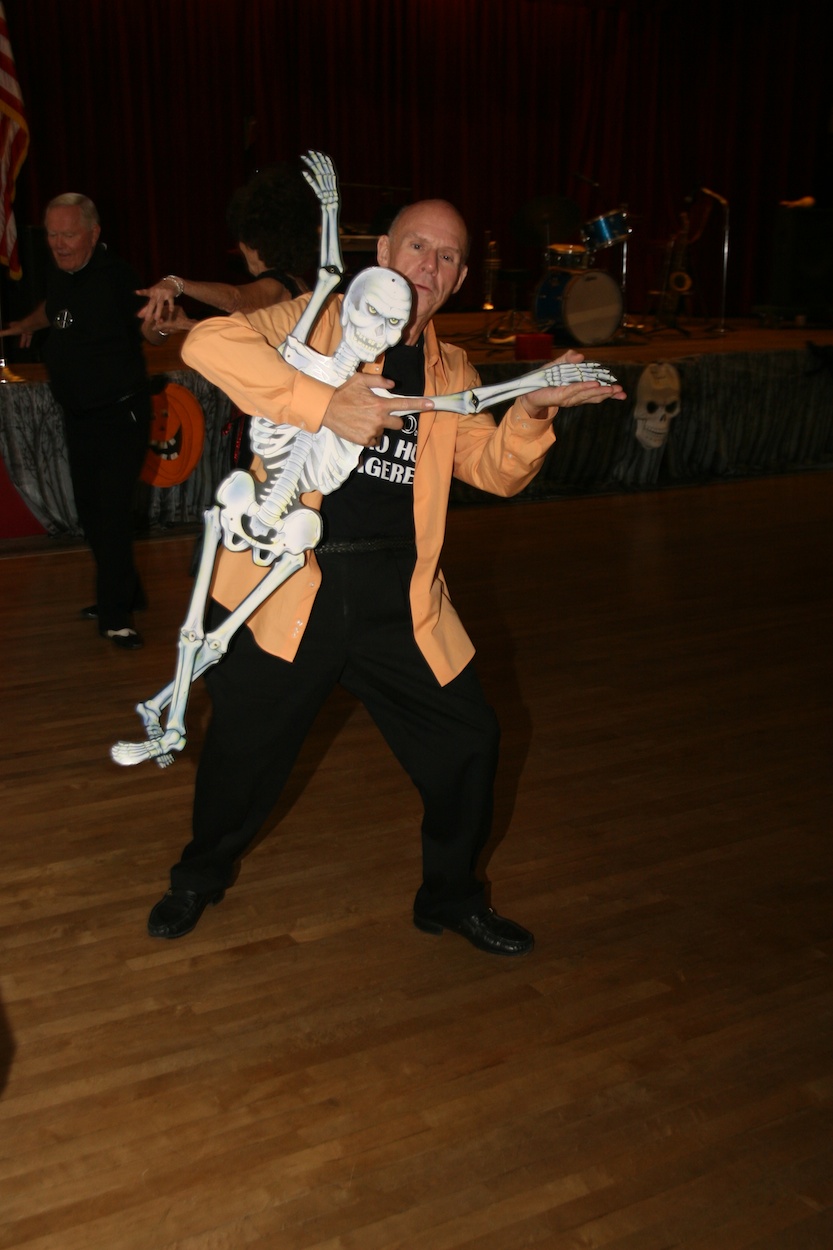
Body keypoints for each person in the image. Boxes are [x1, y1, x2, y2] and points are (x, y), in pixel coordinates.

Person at [146, 198, 626, 952]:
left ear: (459, 278)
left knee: (469, 742)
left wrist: (531, 410)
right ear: (383, 253)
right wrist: (321, 403)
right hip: (285, 587)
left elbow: (492, 472)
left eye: (444, 257)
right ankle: (197, 877)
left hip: (397, 599)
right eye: (415, 247)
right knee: (239, 761)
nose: (425, 266)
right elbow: (206, 344)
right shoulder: (311, 320)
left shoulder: (452, 369)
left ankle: (451, 896)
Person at [0, 194, 169, 649]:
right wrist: (27, 323)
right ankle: (127, 591)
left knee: (111, 514)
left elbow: (148, 327)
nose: (58, 244)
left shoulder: (118, 278)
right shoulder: (61, 274)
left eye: (68, 234)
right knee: (93, 515)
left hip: (120, 414)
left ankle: (118, 616)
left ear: (93, 234)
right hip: (80, 416)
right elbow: (55, 308)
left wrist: (160, 324)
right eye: (52, 235)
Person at [136, 163, 318, 469]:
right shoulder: (298, 285)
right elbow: (259, 340)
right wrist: (186, 324)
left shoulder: (276, 286)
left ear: (252, 244)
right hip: (288, 412)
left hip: (276, 422)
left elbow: (237, 300)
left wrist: (178, 284)